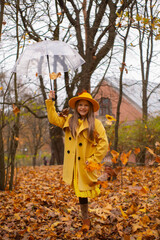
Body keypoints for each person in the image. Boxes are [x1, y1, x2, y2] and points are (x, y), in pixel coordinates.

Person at [45, 90, 108, 231]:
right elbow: (53, 119)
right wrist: (51, 101)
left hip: (86, 165)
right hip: (74, 165)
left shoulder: (96, 123)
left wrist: (93, 160)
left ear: (90, 107)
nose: (83, 108)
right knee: (81, 194)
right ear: (76, 107)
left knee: (86, 192)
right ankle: (86, 218)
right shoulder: (69, 120)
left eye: (86, 105)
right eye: (80, 105)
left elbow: (104, 143)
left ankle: (88, 218)